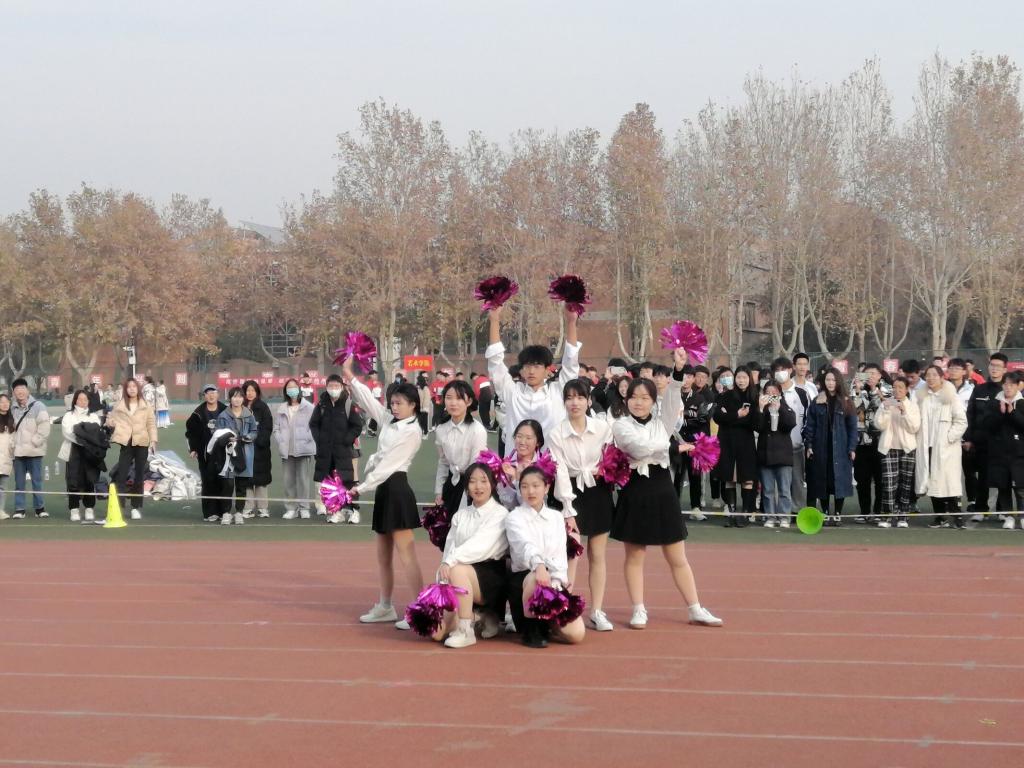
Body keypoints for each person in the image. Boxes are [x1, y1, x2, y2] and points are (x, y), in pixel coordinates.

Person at [610, 377, 722, 630]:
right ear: (626, 400)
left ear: (653, 401)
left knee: (677, 556)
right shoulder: (620, 425)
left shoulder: (662, 422)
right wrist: (671, 447)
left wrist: (678, 374)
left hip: (662, 490)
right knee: (635, 556)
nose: (638, 402)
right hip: (635, 490)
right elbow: (638, 449)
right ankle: (638, 609)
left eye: (645, 398)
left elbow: (672, 399)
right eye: (633, 397)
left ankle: (695, 608)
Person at [340, 356, 425, 629]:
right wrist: (350, 375)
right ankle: (385, 606)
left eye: (400, 403)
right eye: (393, 402)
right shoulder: (389, 420)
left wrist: (361, 487)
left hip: (397, 489)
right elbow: (368, 401)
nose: (394, 407)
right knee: (383, 556)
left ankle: (421, 610)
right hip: (384, 491)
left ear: (413, 405)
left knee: (407, 555)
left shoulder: (412, 432)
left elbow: (388, 466)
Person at [548, 378, 615, 631]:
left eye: (579, 397)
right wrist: (568, 509)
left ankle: (597, 611)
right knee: (570, 555)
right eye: (569, 398)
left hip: (598, 492)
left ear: (589, 401)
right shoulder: (556, 433)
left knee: (598, 554)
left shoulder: (603, 428)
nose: (574, 403)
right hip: (570, 493)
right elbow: (560, 471)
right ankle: (565, 608)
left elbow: (612, 457)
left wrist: (605, 471)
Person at [505, 466, 587, 648]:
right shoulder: (514, 517)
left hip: (552, 581)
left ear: (547, 487)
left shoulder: (556, 517)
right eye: (524, 486)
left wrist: (559, 581)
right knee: (536, 577)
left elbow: (559, 554)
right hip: (525, 581)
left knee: (576, 635)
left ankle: (548, 624)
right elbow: (525, 546)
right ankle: (531, 629)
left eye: (536, 486)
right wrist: (540, 566)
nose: (530, 491)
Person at [431, 463, 510, 648]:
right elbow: (449, 549)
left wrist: (450, 563)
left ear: (492, 484)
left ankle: (466, 631)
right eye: (473, 481)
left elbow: (479, 546)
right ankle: (479, 616)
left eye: (483, 481)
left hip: (491, 577)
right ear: (466, 487)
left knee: (457, 570)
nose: (478, 486)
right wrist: (441, 579)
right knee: (436, 633)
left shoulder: (500, 514)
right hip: (461, 574)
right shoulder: (461, 515)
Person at [485, 304, 581, 439]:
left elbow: (571, 365)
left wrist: (571, 322)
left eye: (537, 366)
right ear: (521, 370)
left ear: (547, 370)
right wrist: (494, 320)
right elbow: (495, 363)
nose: (531, 371)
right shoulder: (513, 392)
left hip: (552, 452)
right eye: (527, 366)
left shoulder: (558, 391)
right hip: (517, 453)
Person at [804, 368, 858, 526]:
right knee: (823, 481)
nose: (830, 383)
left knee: (839, 481)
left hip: (841, 448)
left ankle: (838, 513)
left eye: (833, 380)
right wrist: (809, 444)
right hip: (821, 447)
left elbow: (852, 428)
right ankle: (826, 512)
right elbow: (810, 425)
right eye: (828, 380)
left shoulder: (846, 402)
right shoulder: (817, 401)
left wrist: (852, 448)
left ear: (838, 381)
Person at [916, 366, 968, 528]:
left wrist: (949, 437)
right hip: (927, 445)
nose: (931, 378)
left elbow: (961, 421)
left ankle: (957, 516)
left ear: (941, 377)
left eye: (934, 375)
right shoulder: (922, 397)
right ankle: (939, 516)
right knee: (933, 481)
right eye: (928, 375)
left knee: (950, 482)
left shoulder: (951, 397)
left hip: (947, 448)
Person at [310, 374, 364, 523]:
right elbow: (313, 424)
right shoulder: (321, 405)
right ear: (326, 387)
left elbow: (357, 426)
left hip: (344, 451)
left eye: (336, 386)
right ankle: (336, 511)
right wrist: (319, 439)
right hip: (326, 452)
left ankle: (353, 511)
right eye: (331, 386)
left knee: (348, 481)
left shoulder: (348, 404)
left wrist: (347, 439)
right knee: (330, 483)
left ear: (341, 387)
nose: (333, 389)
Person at [432, 379, 488, 519]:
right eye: (449, 398)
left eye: (459, 398)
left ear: (468, 401)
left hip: (473, 486)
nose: (453, 403)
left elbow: (475, 466)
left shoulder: (477, 430)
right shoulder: (441, 429)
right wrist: (439, 491)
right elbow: (443, 462)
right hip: (452, 483)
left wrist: (468, 494)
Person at [712, 366, 759, 526]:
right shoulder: (726, 396)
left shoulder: (754, 397)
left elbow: (754, 422)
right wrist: (737, 415)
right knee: (729, 477)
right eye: (738, 377)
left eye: (744, 377)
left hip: (746, 442)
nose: (741, 381)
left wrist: (730, 417)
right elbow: (718, 417)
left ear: (749, 379)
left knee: (747, 478)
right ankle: (731, 513)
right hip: (727, 442)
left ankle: (744, 514)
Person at [964, 353, 1008, 519]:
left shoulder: (1009, 389)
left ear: (1005, 369)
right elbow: (970, 414)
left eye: (998, 366)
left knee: (1003, 476)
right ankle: (981, 509)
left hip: (1003, 442)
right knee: (982, 476)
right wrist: (969, 438)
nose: (994, 369)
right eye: (992, 365)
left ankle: (1003, 510)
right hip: (981, 441)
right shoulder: (980, 389)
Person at [106, 378, 158, 520]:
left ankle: (135, 507)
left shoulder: (145, 405)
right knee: (121, 475)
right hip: (126, 443)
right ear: (125, 389)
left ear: (138, 388)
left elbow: (151, 424)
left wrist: (153, 440)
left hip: (142, 442)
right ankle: (120, 506)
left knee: (139, 476)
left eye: (134, 386)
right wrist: (110, 422)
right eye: (129, 387)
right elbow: (111, 419)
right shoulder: (120, 405)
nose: (132, 389)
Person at [874, 377, 920, 529]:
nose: (897, 390)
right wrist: (886, 409)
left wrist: (904, 412)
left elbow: (914, 427)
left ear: (906, 389)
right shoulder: (886, 403)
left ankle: (903, 516)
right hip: (888, 449)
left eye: (901, 387)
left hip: (908, 449)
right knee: (889, 483)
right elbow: (879, 425)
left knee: (905, 484)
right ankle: (887, 516)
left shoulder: (912, 406)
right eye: (894, 387)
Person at [274, 378, 317, 521]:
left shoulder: (308, 407)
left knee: (303, 480)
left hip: (303, 448)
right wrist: (281, 440)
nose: (291, 390)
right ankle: (291, 508)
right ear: (286, 391)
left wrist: (306, 438)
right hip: (287, 450)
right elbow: (276, 428)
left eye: (294, 387)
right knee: (288, 481)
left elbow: (314, 426)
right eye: (289, 388)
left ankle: (304, 508)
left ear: (299, 389)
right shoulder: (281, 408)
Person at [58, 389, 104, 523]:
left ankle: (89, 508)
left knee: (90, 479)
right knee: (73, 480)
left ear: (89, 401)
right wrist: (83, 439)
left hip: (90, 452)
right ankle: (74, 509)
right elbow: (67, 432)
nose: (82, 402)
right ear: (75, 401)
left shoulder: (93, 416)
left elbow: (95, 432)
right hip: (73, 450)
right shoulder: (68, 416)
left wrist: (82, 434)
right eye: (80, 399)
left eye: (85, 399)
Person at [755, 381, 797, 528]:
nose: (771, 395)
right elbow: (757, 427)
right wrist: (761, 409)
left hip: (783, 455)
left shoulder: (786, 407)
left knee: (784, 490)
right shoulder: (761, 409)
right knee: (767, 490)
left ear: (780, 394)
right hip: (765, 455)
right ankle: (770, 517)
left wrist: (780, 409)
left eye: (774, 392)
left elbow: (790, 424)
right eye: (768, 392)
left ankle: (784, 517)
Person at [215, 387, 258, 525]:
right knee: (227, 485)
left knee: (241, 485)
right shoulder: (223, 416)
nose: (237, 399)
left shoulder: (249, 415)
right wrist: (227, 439)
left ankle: (239, 512)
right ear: (230, 399)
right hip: (228, 455)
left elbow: (254, 431)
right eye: (234, 396)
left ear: (243, 398)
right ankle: (226, 513)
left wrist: (246, 437)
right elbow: (217, 434)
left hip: (245, 453)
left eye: (240, 396)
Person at [185, 385, 228, 522]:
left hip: (222, 453)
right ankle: (210, 512)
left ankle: (223, 511)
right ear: (204, 395)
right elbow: (191, 433)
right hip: (205, 454)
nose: (211, 395)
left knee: (223, 481)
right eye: (208, 393)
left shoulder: (225, 410)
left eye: (213, 392)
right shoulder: (197, 413)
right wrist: (193, 448)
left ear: (218, 394)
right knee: (208, 481)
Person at [10, 378, 51, 519]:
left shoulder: (39, 406)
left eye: (22, 388)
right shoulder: (12, 408)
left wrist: (35, 442)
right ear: (13, 392)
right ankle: (19, 509)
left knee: (37, 481)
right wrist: (13, 445)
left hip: (34, 451)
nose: (20, 392)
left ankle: (40, 508)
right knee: (19, 482)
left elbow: (44, 427)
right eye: (17, 389)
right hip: (18, 452)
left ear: (28, 390)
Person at [988, 371, 1024, 529]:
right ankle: (1008, 516)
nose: (1008, 387)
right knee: (1003, 486)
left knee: (1020, 487)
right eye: (1006, 384)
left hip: (1019, 453)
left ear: (1018, 386)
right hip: (999, 453)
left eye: (1012, 384)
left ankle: (1022, 516)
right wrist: (1001, 414)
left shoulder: (1021, 403)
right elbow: (988, 426)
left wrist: (1013, 413)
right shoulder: (995, 403)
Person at [678, 364, 713, 519]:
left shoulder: (700, 398)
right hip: (677, 442)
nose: (685, 380)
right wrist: (689, 416)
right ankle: (673, 507)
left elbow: (702, 419)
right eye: (683, 377)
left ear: (693, 379)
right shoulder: (673, 395)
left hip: (694, 443)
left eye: (689, 377)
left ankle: (696, 508)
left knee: (695, 476)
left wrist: (684, 417)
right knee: (677, 475)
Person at [851, 363, 885, 523]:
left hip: (881, 442)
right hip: (861, 442)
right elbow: (855, 409)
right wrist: (858, 390)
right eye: (867, 374)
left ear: (880, 375)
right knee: (862, 479)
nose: (870, 376)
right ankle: (864, 511)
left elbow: (882, 407)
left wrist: (873, 391)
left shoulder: (887, 390)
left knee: (880, 480)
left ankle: (878, 511)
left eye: (873, 373)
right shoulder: (856, 390)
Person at [497, 419, 546, 510]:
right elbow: (507, 504)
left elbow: (531, 506)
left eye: (528, 438)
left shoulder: (544, 468)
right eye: (519, 436)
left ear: (538, 442)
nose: (522, 442)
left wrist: (519, 480)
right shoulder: (506, 464)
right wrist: (509, 483)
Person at [241, 380, 273, 519]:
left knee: (261, 479)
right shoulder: (239, 407)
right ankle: (248, 507)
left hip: (260, 449)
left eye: (252, 390)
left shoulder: (263, 407)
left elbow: (267, 426)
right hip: (244, 449)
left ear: (257, 392)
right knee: (246, 479)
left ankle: (262, 508)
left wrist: (259, 441)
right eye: (247, 390)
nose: (250, 393)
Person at [0, 394, 15, 520]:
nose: (5, 404)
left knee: (3, 487)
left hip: (6, 459)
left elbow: (13, 440)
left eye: (7, 402)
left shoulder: (12, 420)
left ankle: (1, 510)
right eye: (1, 402)